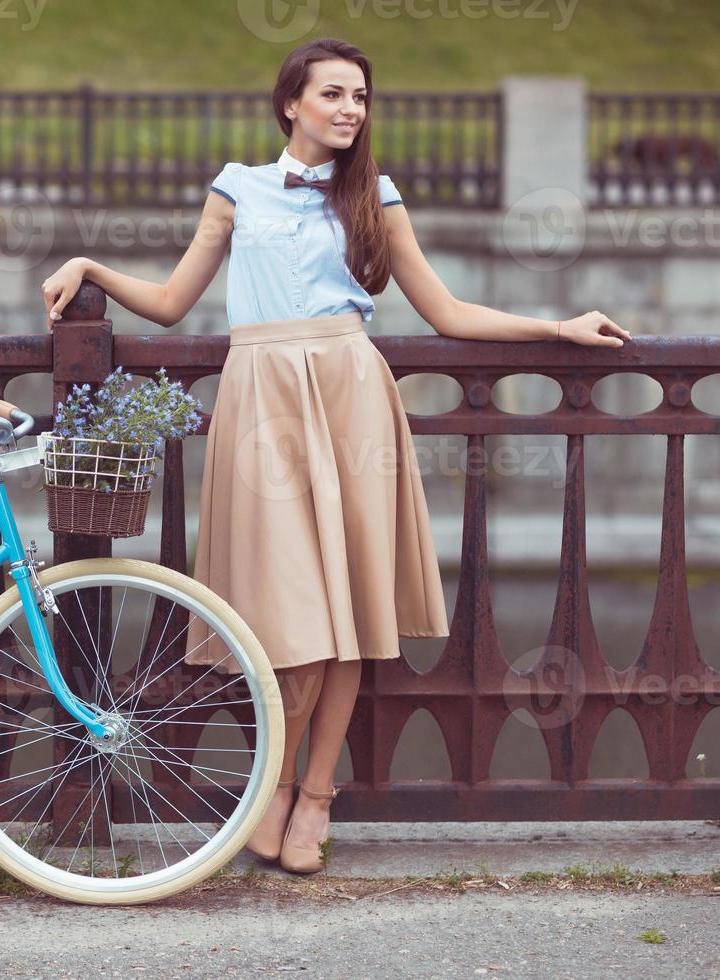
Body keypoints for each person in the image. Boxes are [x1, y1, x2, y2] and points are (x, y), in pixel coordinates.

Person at [39, 37, 632, 875]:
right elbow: (172, 305)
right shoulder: (235, 188)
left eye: (359, 96)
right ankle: (276, 787)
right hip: (258, 398)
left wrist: (557, 328)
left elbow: (447, 312)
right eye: (332, 94)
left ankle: (307, 796)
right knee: (292, 617)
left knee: (344, 611)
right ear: (290, 103)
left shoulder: (374, 196)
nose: (350, 108)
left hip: (347, 390)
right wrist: (89, 264)